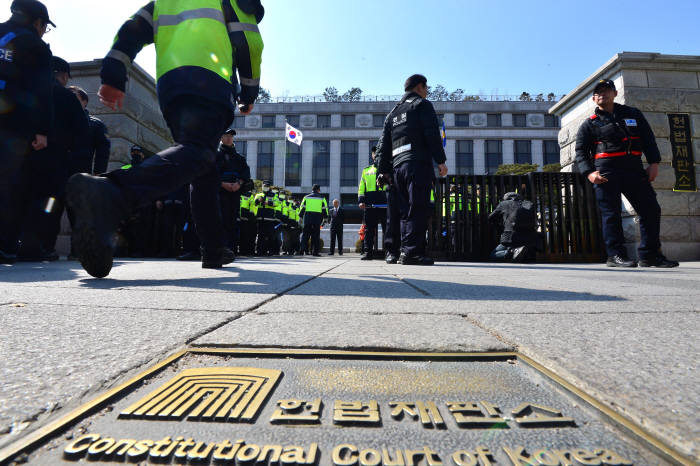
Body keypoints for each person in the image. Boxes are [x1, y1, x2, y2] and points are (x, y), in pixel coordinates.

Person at [65, 0, 264, 276]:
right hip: (211, 79)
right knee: (200, 153)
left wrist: (113, 72)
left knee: (201, 166)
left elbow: (131, 31)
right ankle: (113, 193)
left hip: (171, 85)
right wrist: (250, 92)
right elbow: (249, 43)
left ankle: (214, 247)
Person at [575, 79, 678, 268]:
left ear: (615, 93)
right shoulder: (589, 124)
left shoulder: (633, 114)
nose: (602, 95)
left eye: (607, 90)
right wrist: (589, 173)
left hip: (634, 170)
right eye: (598, 93)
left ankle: (650, 255)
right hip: (606, 173)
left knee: (651, 210)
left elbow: (648, 139)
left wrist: (654, 163)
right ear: (593, 99)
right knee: (611, 215)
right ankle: (615, 256)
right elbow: (581, 152)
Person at [18, 56, 90, 261]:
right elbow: (82, 131)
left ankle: (16, 243)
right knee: (49, 204)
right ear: (64, 76)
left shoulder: (26, 90)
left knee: (23, 200)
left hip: (24, 158)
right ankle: (43, 246)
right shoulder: (65, 97)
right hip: (54, 163)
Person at [0, 0, 54, 263]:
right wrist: (42, 130)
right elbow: (43, 91)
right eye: (45, 27)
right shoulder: (35, 46)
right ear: (37, 22)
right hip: (13, 125)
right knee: (6, 183)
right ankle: (3, 244)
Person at [375, 74, 448, 265]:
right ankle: (412, 253)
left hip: (397, 168)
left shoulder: (393, 113)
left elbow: (383, 145)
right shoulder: (422, 105)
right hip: (417, 164)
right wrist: (440, 161)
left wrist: (381, 171)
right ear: (419, 87)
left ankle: (394, 252)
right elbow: (432, 134)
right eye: (426, 88)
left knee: (399, 212)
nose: (427, 92)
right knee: (417, 208)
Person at [217, 128, 252, 252]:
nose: (229, 138)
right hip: (220, 192)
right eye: (226, 135)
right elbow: (210, 172)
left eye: (231, 136)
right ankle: (220, 248)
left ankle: (231, 249)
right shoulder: (216, 155)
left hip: (235, 192)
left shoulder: (239, 158)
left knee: (233, 220)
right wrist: (222, 183)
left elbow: (246, 173)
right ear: (221, 138)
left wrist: (239, 183)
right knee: (220, 220)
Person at [69, 86, 111, 174]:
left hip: (80, 177)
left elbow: (102, 155)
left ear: (85, 102)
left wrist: (97, 177)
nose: (68, 99)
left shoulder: (96, 125)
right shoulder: (55, 121)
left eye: (73, 96)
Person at [488, 192, 537, 262]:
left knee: (493, 255)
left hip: (510, 237)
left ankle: (512, 252)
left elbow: (491, 217)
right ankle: (520, 252)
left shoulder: (503, 204)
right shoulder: (529, 203)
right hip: (529, 237)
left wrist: (500, 226)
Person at [358, 147, 387, 260]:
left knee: (388, 230)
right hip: (370, 205)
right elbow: (361, 187)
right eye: (375, 153)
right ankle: (368, 252)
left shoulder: (388, 169)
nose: (376, 155)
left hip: (385, 204)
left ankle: (390, 252)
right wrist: (361, 201)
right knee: (369, 230)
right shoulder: (366, 170)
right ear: (372, 155)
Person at [299, 184, 328, 256]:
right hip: (317, 219)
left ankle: (302, 250)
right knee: (316, 236)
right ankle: (315, 252)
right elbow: (325, 209)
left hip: (308, 218)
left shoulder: (306, 197)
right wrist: (325, 217)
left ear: (312, 190)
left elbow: (302, 208)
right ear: (319, 190)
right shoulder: (322, 198)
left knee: (305, 235)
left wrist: (300, 216)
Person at [254, 181, 277, 256]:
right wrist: (258, 200)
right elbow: (254, 203)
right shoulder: (258, 194)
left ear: (269, 187)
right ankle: (260, 251)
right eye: (264, 186)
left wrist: (267, 203)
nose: (265, 187)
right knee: (260, 235)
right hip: (261, 218)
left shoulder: (274, 195)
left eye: (267, 186)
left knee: (270, 235)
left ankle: (270, 251)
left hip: (270, 218)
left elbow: (276, 204)